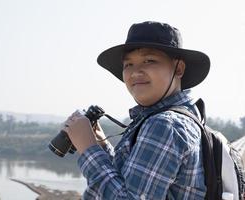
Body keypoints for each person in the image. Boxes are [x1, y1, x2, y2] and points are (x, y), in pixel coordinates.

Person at [63, 21, 210, 199]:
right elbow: (128, 183)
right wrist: (101, 145)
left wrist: (88, 148)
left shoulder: (165, 124)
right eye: (128, 65)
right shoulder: (178, 117)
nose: (135, 72)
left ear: (178, 68)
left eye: (149, 61)